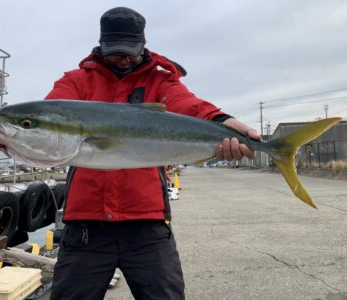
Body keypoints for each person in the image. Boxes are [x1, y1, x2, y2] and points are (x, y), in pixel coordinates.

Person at [45, 7, 261, 300]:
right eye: (115, 51)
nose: (123, 58)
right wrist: (13, 137)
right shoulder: (76, 82)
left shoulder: (161, 82)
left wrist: (223, 122)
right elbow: (50, 117)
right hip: (85, 227)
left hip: (147, 226)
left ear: (143, 44)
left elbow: (189, 105)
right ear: (102, 44)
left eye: (130, 51)